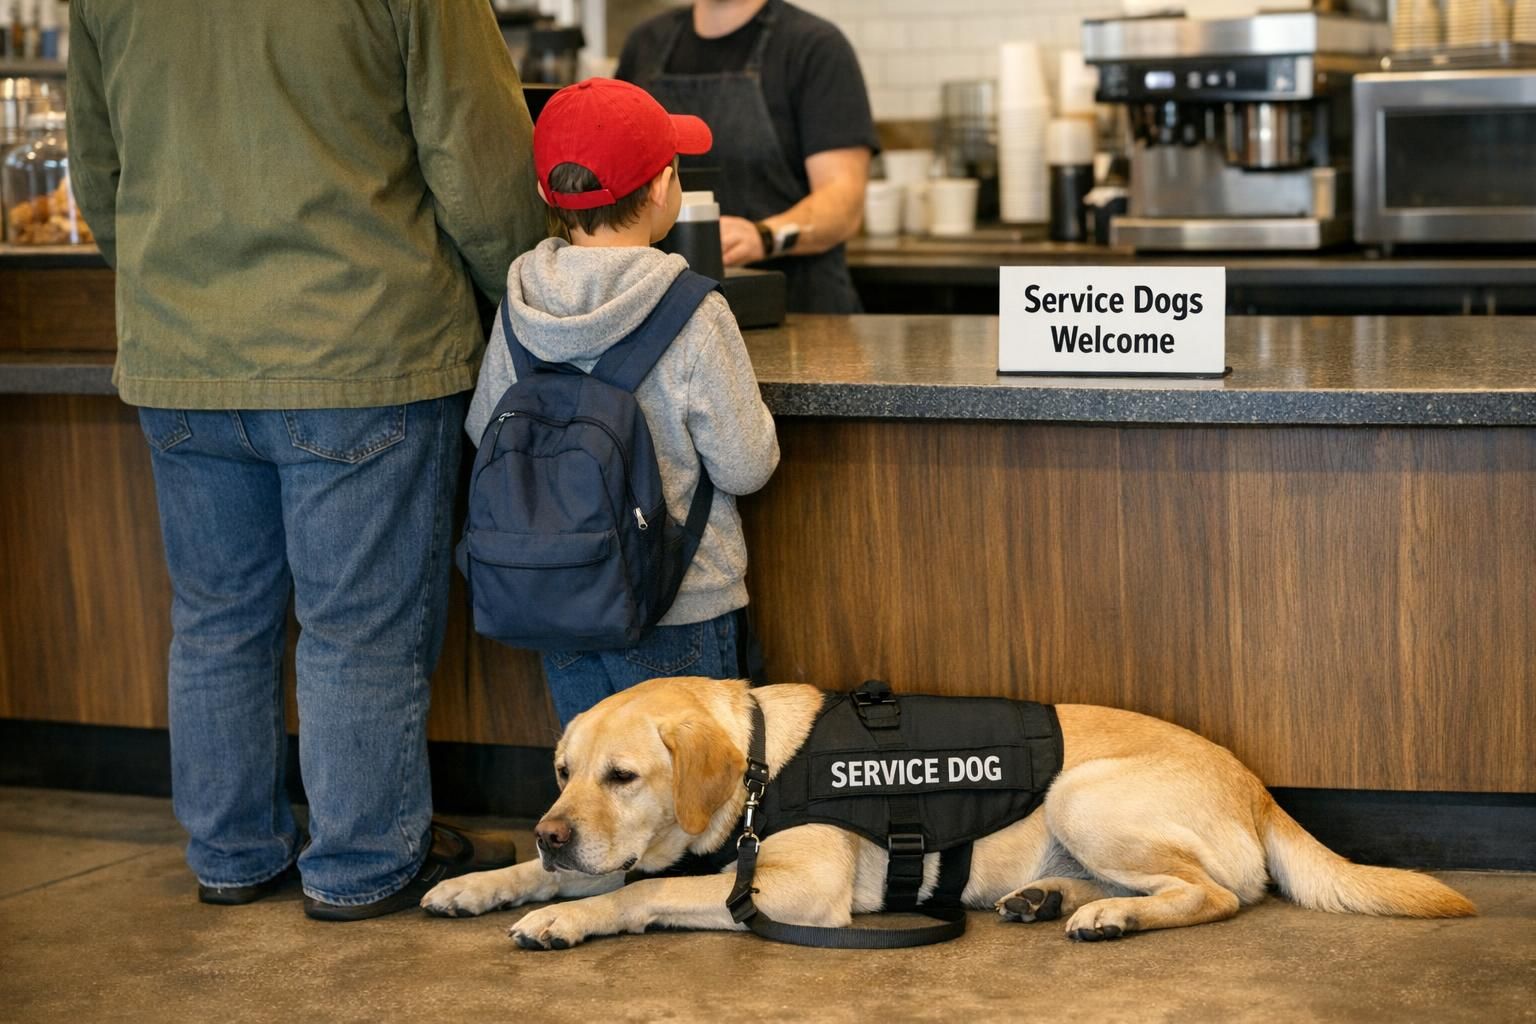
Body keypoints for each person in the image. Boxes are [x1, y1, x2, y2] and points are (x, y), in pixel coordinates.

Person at [67, 0, 545, 920]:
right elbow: (481, 167)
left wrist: (173, 301)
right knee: (360, 631)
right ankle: (365, 863)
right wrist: (528, 289)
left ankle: (233, 854)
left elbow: (100, 172)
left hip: (184, 360)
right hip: (361, 342)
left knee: (216, 623)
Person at [465, 78, 780, 727]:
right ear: (664, 187)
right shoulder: (693, 309)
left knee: (598, 795)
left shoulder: (521, 304)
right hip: (680, 601)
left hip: (558, 600)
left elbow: (483, 429)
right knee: (690, 800)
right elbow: (747, 465)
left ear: (546, 191)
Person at [617, 0, 878, 314]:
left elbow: (844, 202)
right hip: (673, 313)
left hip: (799, 309)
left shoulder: (815, 46)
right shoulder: (645, 44)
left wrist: (763, 236)